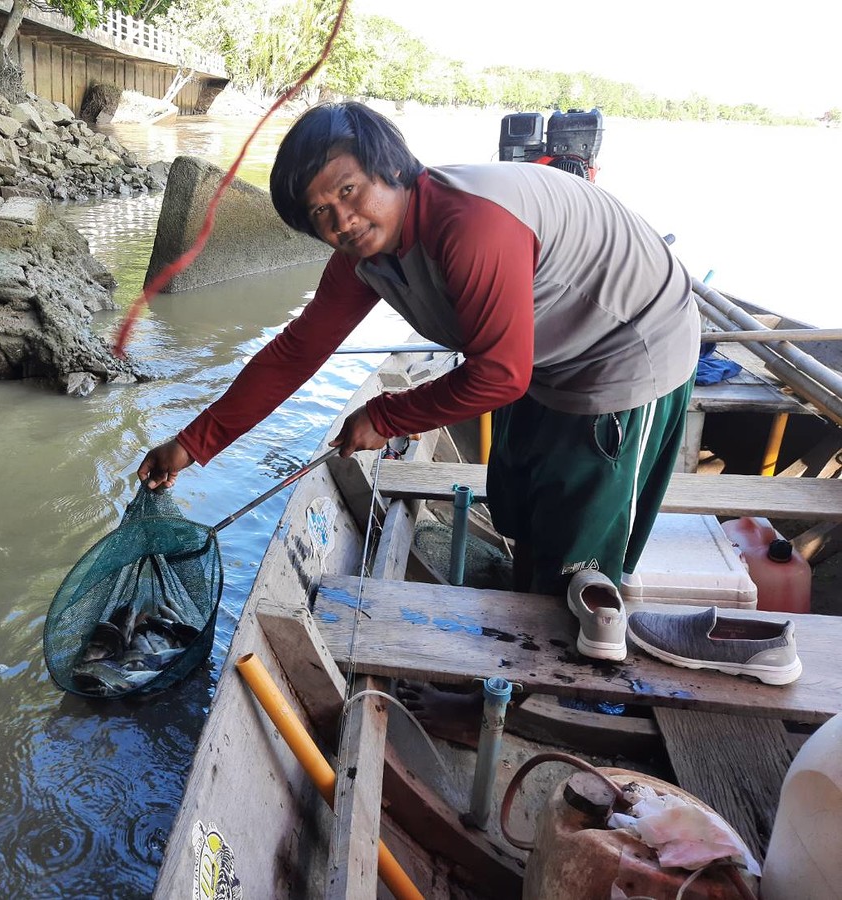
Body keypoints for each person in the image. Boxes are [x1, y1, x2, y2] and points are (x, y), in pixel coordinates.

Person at [137, 101, 699, 737]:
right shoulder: (363, 256)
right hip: (543, 354)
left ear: (392, 168)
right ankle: (516, 648)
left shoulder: (469, 225)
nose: (341, 220)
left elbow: (499, 375)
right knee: (520, 506)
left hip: (626, 352)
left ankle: (520, 713)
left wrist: (386, 415)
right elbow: (298, 350)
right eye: (320, 213)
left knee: (576, 559)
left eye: (348, 191)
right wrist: (191, 444)